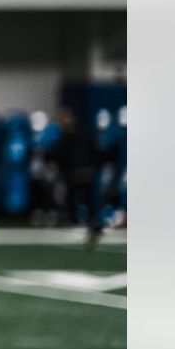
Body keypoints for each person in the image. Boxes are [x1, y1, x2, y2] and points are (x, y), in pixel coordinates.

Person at [45, 106, 103, 248]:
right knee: (81, 200)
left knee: (78, 200)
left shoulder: (68, 137)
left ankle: (88, 224)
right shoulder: (73, 136)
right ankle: (89, 225)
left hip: (77, 173)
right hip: (80, 172)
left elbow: (56, 154)